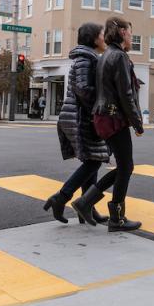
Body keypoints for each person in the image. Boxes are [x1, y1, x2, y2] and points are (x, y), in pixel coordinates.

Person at [72, 16, 144, 232]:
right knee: (126, 167)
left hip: (103, 117)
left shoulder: (106, 55)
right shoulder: (119, 56)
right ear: (122, 33)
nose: (132, 38)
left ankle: (86, 201)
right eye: (130, 33)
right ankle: (116, 218)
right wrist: (137, 123)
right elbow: (126, 94)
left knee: (124, 167)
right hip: (113, 118)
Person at [44, 23, 110, 224]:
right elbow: (82, 89)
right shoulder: (85, 59)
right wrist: (98, 106)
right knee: (94, 160)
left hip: (80, 115)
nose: (104, 38)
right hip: (81, 116)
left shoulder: (88, 58)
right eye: (102, 35)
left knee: (92, 160)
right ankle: (62, 197)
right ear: (93, 39)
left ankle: (87, 206)